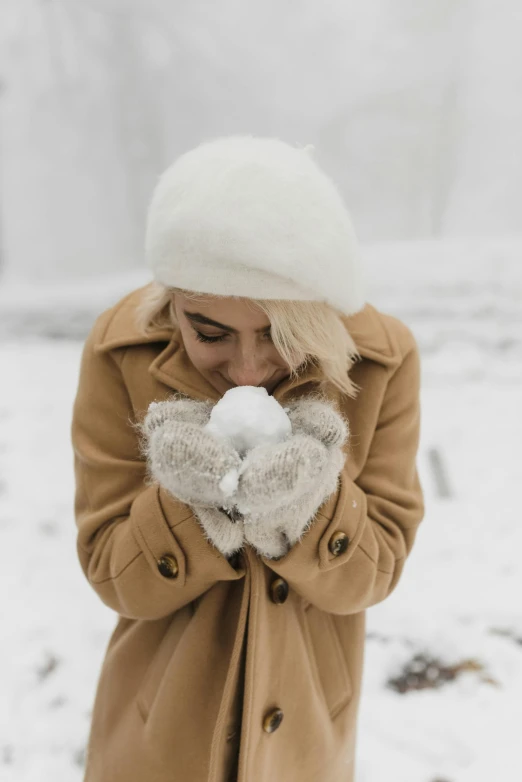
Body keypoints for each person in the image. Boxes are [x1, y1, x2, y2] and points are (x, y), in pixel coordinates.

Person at [71, 135, 424, 782]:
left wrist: (308, 504)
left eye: (281, 334)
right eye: (208, 332)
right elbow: (110, 575)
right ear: (171, 299)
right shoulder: (119, 349)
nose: (248, 368)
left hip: (305, 740)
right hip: (155, 738)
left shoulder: (382, 359)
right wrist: (184, 497)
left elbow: (377, 573)